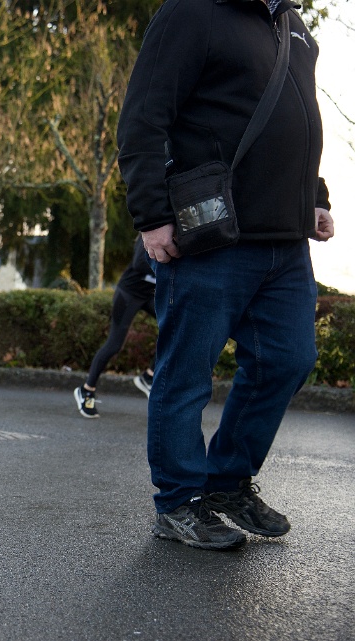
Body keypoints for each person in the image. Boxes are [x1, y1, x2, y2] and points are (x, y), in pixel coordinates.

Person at [117, 0, 334, 550]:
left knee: (288, 359)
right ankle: (178, 501)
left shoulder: (292, 25)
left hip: (285, 239)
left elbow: (298, 117)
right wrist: (152, 216)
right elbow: (143, 117)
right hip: (213, 234)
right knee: (187, 372)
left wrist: (315, 196)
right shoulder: (193, 12)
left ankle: (227, 482)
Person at [74, 235, 156, 418]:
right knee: (114, 345)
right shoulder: (151, 231)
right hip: (128, 294)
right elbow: (139, 263)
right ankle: (86, 390)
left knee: (174, 329)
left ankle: (148, 377)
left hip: (150, 295)